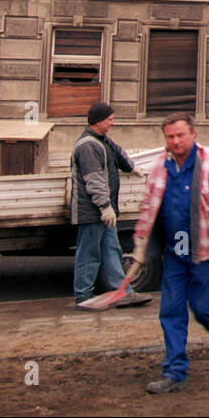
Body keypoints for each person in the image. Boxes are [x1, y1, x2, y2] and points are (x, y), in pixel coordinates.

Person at [130, 112, 209, 394]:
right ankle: (174, 372)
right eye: (170, 136)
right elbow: (149, 205)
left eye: (180, 135)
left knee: (203, 306)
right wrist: (140, 243)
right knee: (170, 311)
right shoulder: (161, 166)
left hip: (207, 251)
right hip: (175, 254)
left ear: (193, 134)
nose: (175, 141)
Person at [70, 102, 151, 309]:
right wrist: (104, 206)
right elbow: (94, 180)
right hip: (92, 211)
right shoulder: (88, 145)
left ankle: (123, 291)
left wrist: (132, 167)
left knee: (112, 250)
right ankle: (83, 296)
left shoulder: (101, 140)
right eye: (110, 120)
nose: (112, 123)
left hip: (105, 211)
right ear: (98, 121)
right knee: (89, 252)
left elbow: (117, 152)